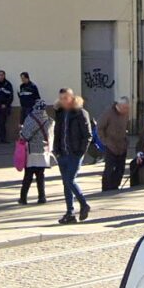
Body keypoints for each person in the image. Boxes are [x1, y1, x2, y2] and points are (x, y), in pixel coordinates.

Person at [53, 89, 92, 224]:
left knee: (70, 180)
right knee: (66, 183)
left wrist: (80, 152)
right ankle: (70, 212)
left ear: (72, 98)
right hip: (62, 153)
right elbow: (57, 132)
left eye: (66, 98)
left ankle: (84, 204)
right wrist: (56, 150)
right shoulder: (60, 113)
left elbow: (87, 135)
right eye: (61, 98)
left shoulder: (80, 113)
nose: (63, 100)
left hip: (74, 154)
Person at [18, 100, 53, 204]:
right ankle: (42, 197)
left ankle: (23, 198)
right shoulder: (49, 120)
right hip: (43, 151)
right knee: (40, 175)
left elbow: (25, 135)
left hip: (31, 151)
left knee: (28, 175)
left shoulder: (30, 118)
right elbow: (51, 136)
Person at [98, 97, 131, 191]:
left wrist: (126, 138)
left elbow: (126, 126)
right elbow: (99, 128)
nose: (127, 110)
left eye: (127, 108)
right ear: (119, 106)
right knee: (109, 168)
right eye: (125, 108)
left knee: (120, 168)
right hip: (110, 145)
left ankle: (115, 186)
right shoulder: (108, 113)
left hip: (122, 144)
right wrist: (105, 141)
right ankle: (106, 188)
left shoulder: (125, 113)